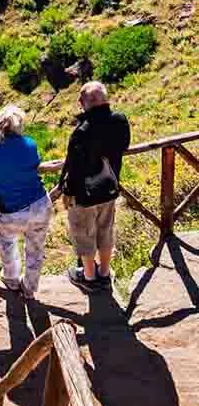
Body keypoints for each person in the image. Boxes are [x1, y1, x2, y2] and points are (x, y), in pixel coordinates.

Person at [0, 105, 53, 300]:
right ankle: (29, 288)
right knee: (35, 248)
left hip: (11, 210)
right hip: (39, 203)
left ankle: (11, 281)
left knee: (8, 243)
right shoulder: (29, 144)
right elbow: (35, 163)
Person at [61, 81, 131, 294]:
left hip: (85, 194)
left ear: (82, 102)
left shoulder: (82, 131)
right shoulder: (120, 120)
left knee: (84, 234)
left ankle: (89, 278)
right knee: (105, 230)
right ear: (105, 99)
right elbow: (124, 145)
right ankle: (104, 273)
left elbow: (74, 168)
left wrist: (67, 192)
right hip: (109, 187)